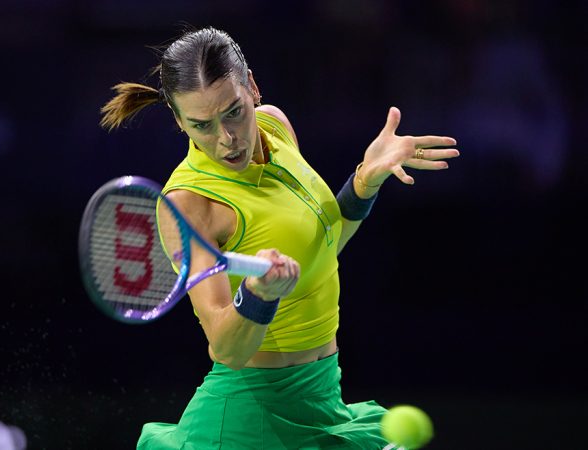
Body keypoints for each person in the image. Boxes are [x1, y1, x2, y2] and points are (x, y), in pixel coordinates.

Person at [100, 26, 459, 450]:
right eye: (201, 125)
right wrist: (258, 295)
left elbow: (321, 247)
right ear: (179, 121)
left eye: (233, 112)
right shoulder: (189, 205)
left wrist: (365, 182)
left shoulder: (276, 126)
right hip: (248, 423)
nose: (226, 139)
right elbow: (226, 346)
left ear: (252, 87)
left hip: (323, 397)